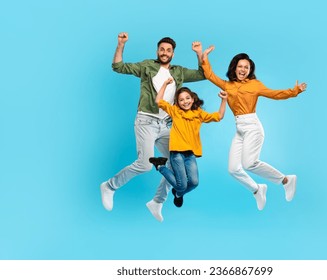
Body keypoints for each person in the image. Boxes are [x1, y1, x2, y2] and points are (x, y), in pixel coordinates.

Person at [100, 32, 206, 222]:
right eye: (162, 49)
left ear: (173, 54)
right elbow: (118, 66)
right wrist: (121, 44)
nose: (165, 52)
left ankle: (157, 202)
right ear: (158, 51)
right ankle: (109, 186)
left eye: (168, 50)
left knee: (174, 164)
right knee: (145, 165)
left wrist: (199, 53)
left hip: (167, 124)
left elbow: (202, 74)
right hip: (146, 121)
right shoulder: (147, 66)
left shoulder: (179, 71)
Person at [201, 46, 307, 210]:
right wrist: (204, 55)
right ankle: (257, 189)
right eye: (240, 66)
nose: (242, 69)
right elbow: (209, 75)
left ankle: (286, 180)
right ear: (234, 68)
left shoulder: (255, 85)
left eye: (246, 67)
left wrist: (295, 91)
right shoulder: (227, 85)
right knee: (233, 169)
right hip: (240, 129)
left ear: (250, 70)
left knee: (249, 163)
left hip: (252, 127)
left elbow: (275, 94)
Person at [149, 78, 227, 207]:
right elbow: (158, 101)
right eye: (181, 100)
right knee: (182, 185)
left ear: (192, 98)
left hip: (190, 154)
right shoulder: (175, 112)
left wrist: (224, 99)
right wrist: (164, 84)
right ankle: (160, 166)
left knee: (194, 183)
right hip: (177, 153)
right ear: (177, 103)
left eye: (187, 98)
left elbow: (219, 116)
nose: (185, 101)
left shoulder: (198, 114)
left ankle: (178, 194)